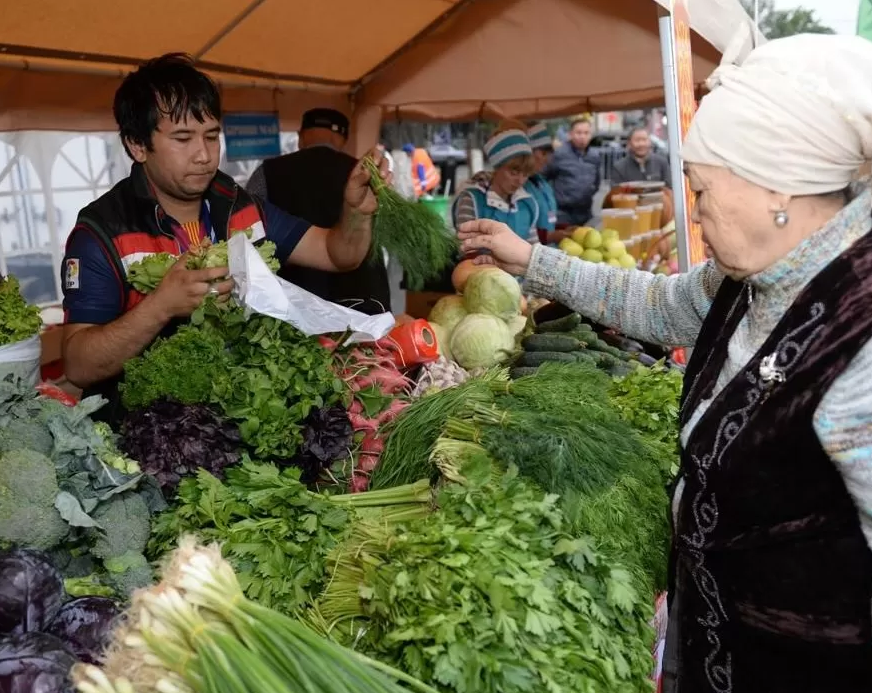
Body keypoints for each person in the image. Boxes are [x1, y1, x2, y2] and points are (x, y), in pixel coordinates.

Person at [459, 33, 872, 693]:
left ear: (778, 185)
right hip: (737, 662)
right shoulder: (761, 270)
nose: (694, 208)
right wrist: (532, 261)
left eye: (703, 188)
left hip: (825, 692)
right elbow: (662, 305)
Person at [59, 54, 388, 425]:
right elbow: (79, 365)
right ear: (137, 145)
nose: (203, 155)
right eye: (183, 138)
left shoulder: (239, 204)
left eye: (212, 136)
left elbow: (336, 253)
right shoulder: (102, 231)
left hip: (241, 419)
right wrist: (160, 306)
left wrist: (357, 212)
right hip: (145, 432)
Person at [245, 108, 391, 313]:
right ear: (344, 139)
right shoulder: (366, 177)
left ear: (300, 137)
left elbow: (248, 234)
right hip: (362, 304)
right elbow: (386, 235)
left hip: (291, 310)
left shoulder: (267, 172)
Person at [451, 123, 540, 242]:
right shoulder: (472, 200)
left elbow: (533, 247)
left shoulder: (528, 204)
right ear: (497, 168)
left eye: (525, 175)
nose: (520, 181)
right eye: (513, 173)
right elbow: (466, 245)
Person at [542, 115, 601, 227]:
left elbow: (597, 182)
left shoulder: (594, 156)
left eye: (586, 133)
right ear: (570, 134)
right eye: (578, 133)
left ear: (591, 135)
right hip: (563, 213)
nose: (582, 136)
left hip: (586, 211)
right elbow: (543, 178)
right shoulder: (559, 154)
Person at [524, 123, 559, 240]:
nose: (547, 160)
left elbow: (549, 221)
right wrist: (551, 236)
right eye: (543, 154)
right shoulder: (517, 187)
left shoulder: (542, 183)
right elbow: (521, 230)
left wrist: (563, 229)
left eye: (548, 154)